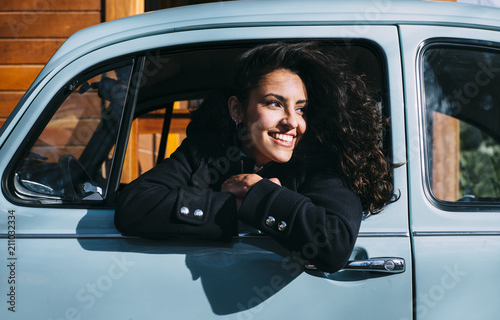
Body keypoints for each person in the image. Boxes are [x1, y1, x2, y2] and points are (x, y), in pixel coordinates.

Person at [114, 41, 396, 273]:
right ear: (237, 110)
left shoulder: (319, 162)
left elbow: (333, 247)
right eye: (274, 103)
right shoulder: (205, 151)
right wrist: (235, 207)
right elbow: (135, 206)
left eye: (300, 109)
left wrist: (255, 190)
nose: (292, 122)